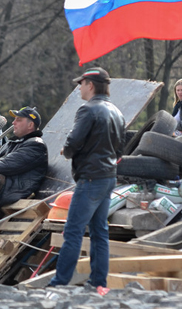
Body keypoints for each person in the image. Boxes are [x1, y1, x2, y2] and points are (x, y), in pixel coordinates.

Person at [49, 67, 125, 288]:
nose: (79, 87)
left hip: (90, 179)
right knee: (100, 232)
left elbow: (73, 143)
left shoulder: (87, 110)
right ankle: (98, 282)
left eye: (80, 84)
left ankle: (59, 283)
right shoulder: (116, 112)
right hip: (108, 177)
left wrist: (67, 151)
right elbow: (120, 151)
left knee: (73, 231)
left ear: (90, 85)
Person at [0, 106, 48, 227]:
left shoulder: (36, 145)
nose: (13, 122)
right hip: (2, 185)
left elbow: (5, 166)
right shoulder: (12, 143)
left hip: (11, 189)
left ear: (30, 125)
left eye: (19, 120)